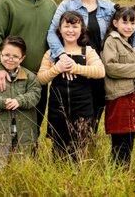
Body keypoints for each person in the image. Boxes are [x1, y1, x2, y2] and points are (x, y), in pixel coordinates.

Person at [47, 0, 135, 132]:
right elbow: (52, 33)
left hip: (100, 69)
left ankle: (88, 149)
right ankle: (69, 153)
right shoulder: (67, 5)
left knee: (96, 114)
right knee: (71, 118)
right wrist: (61, 56)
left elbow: (134, 27)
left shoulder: (109, 7)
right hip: (73, 69)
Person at [0, 0, 57, 135]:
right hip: (11, 77)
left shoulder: (51, 5)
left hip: (39, 79)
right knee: (9, 129)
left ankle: (28, 162)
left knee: (34, 128)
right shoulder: (8, 1)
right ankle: (5, 163)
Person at [37, 11, 105, 159]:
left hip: (82, 107)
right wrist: (57, 68)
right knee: (59, 151)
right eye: (66, 26)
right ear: (59, 30)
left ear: (81, 30)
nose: (70, 30)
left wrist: (76, 68)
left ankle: (79, 178)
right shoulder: (51, 53)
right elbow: (41, 79)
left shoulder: (87, 51)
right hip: (58, 107)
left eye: (75, 26)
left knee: (80, 150)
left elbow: (100, 71)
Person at [0, 36, 41, 168]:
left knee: (23, 166)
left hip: (24, 133)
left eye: (15, 56)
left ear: (22, 58)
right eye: (6, 55)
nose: (10, 59)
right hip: (0, 132)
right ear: (0, 54)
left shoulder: (30, 77)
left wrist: (20, 101)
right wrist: (1, 102)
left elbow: (35, 94)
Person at [101, 4, 135, 167]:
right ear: (115, 23)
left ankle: (124, 171)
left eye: (132, 23)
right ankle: (117, 172)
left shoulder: (131, 43)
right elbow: (110, 68)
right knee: (120, 139)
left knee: (130, 137)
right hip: (119, 97)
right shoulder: (112, 42)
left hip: (134, 95)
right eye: (125, 22)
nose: (129, 27)